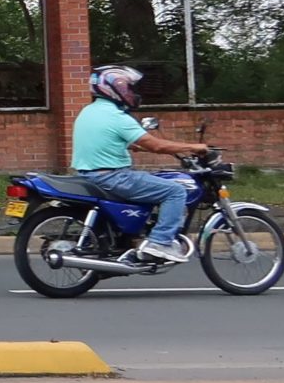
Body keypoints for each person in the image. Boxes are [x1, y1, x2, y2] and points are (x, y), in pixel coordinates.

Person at [72, 65, 211, 265]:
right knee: (175, 191)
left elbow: (111, 140)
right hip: (113, 177)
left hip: (89, 175)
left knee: (153, 184)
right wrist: (193, 147)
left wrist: (137, 147)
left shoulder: (89, 111)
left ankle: (135, 236)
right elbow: (156, 145)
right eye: (127, 87)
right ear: (113, 88)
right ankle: (159, 242)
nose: (131, 92)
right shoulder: (118, 117)